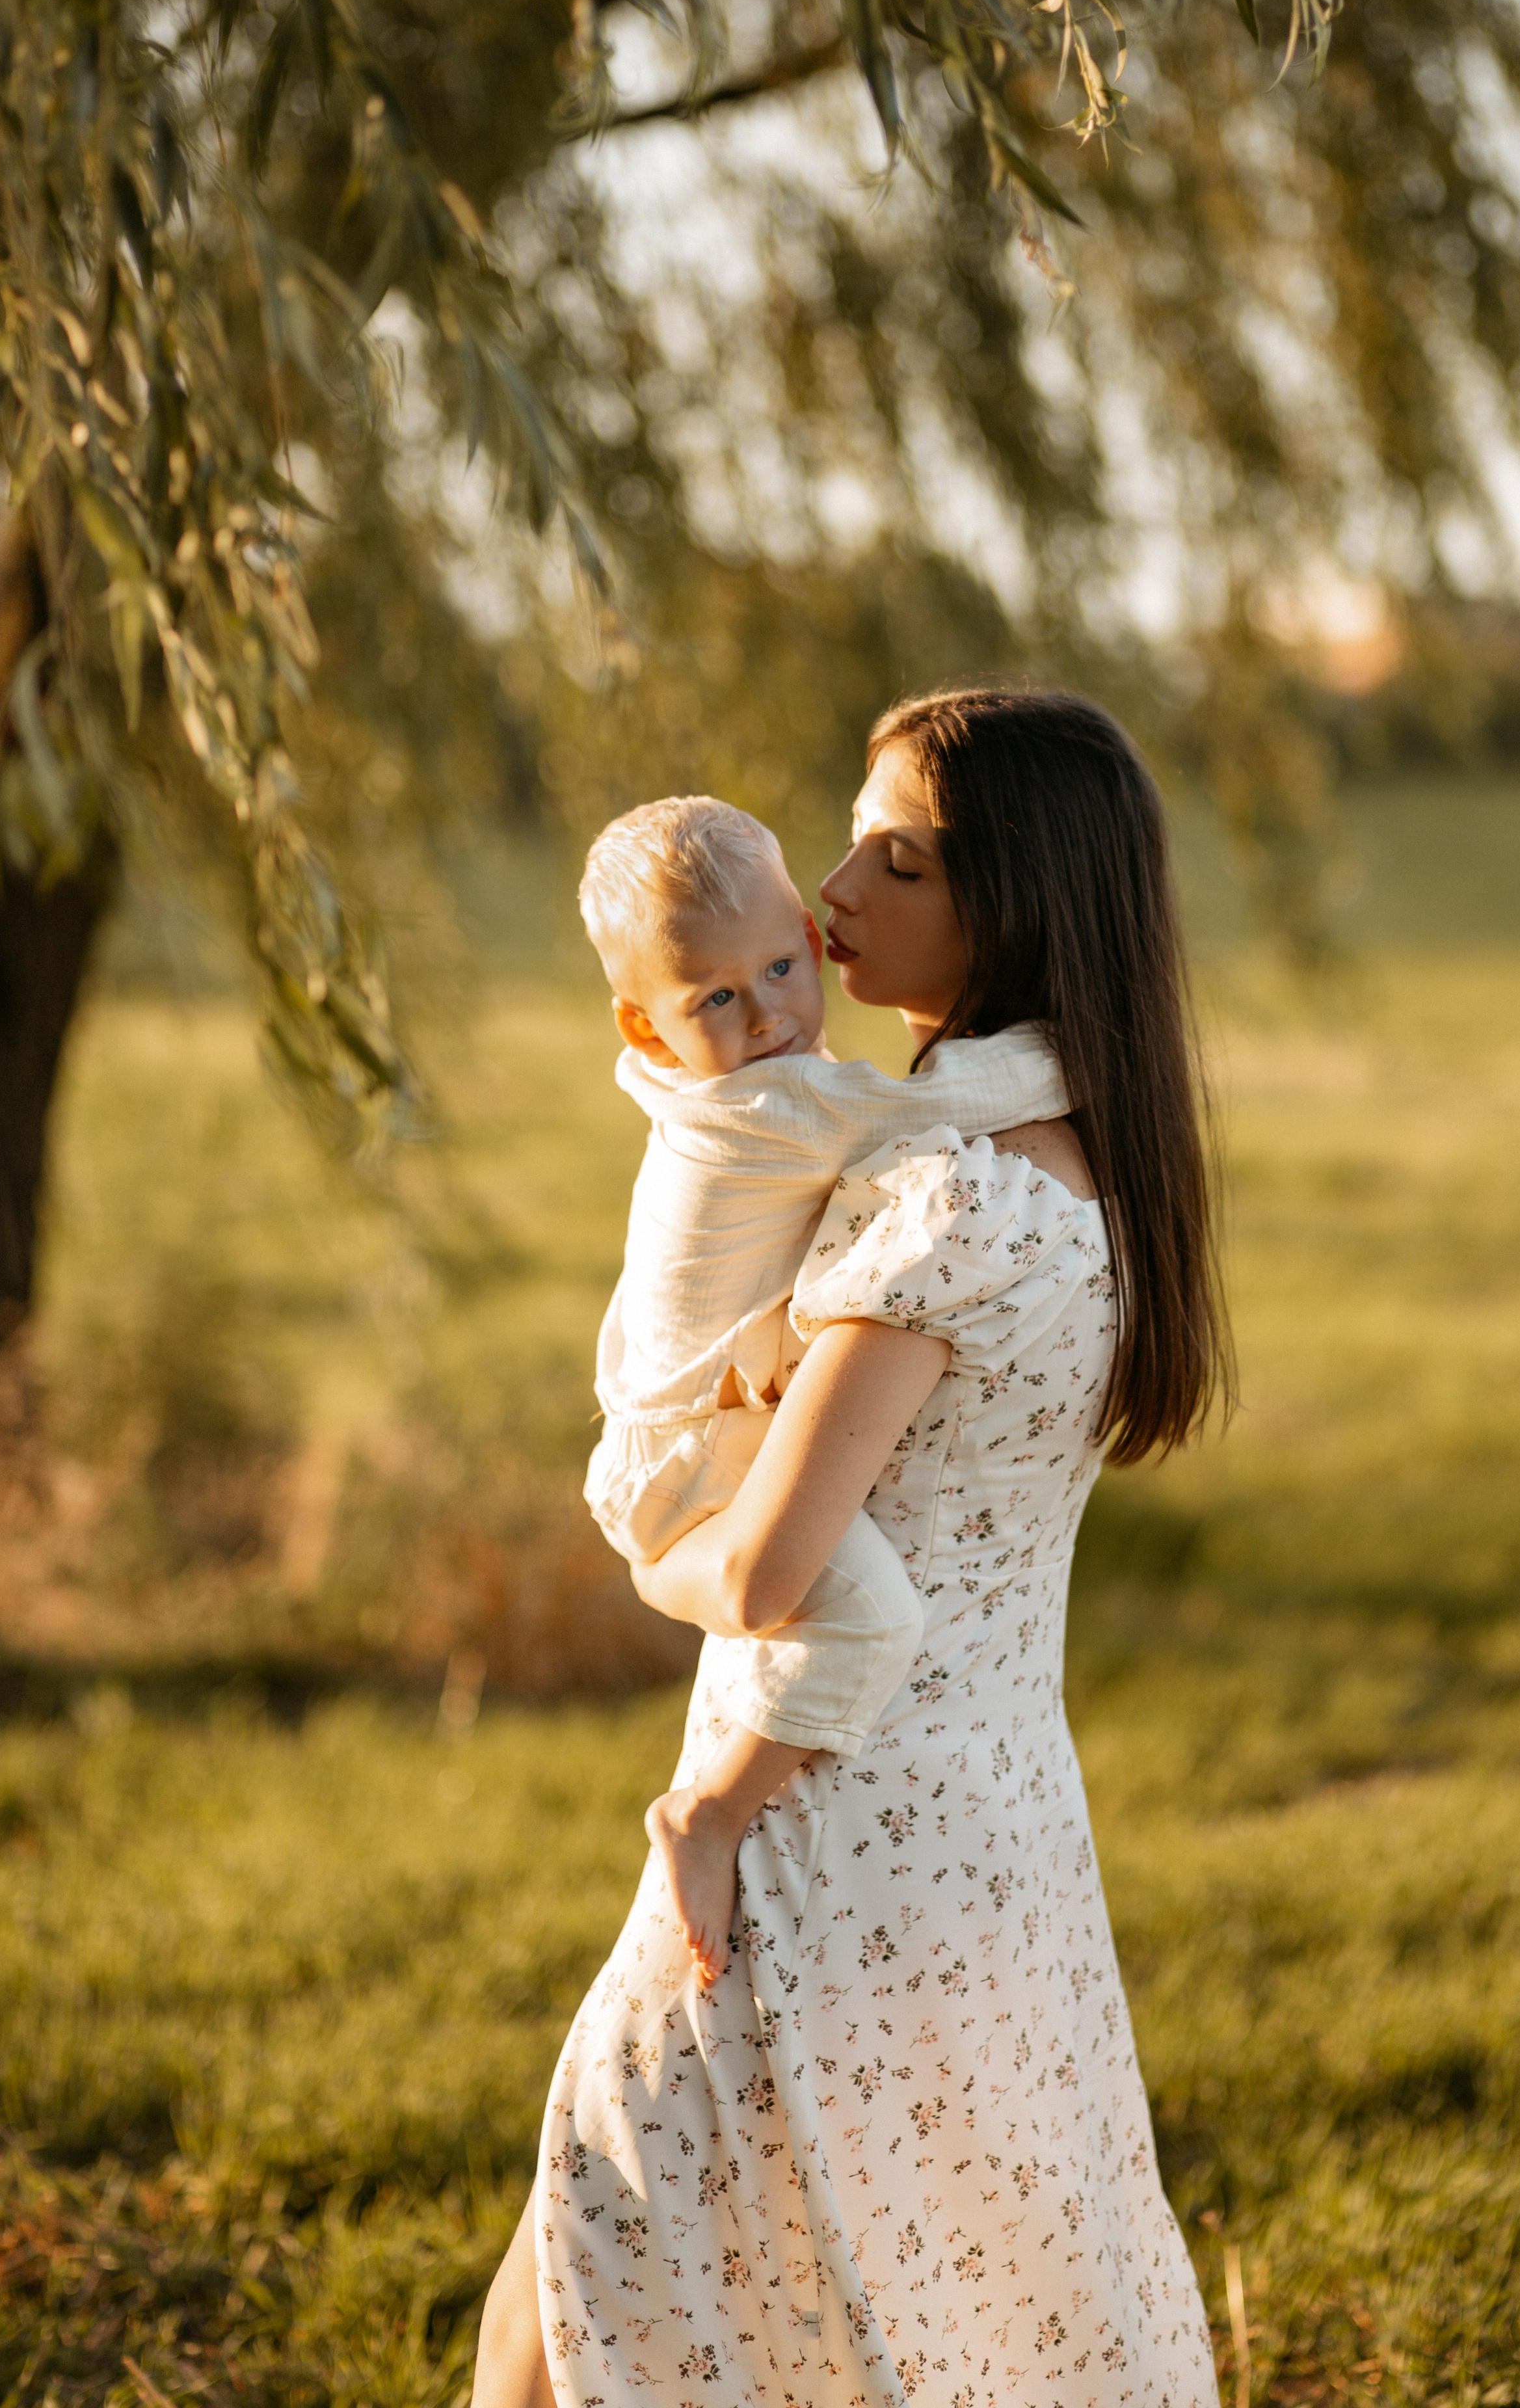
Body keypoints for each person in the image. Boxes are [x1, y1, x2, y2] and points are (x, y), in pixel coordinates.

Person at [473, 688, 1232, 2408]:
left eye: (894, 860)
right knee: (923, 2281)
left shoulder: (946, 1198)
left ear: (1012, 905)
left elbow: (759, 1574)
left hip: (813, 1830)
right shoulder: (1088, 1159)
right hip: (1000, 1821)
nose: (829, 891)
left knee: (596, 2258)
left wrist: (645, 1503)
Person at [575, 794, 1065, 1985]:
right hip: (688, 1456)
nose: (770, 1016)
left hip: (673, 1418)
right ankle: (712, 1812)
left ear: (804, 929)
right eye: (715, 1000)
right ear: (646, 1029)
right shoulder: (777, 1101)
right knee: (872, 1616)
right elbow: (954, 1103)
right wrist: (1084, 1040)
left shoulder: (709, 1092)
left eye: (782, 967)